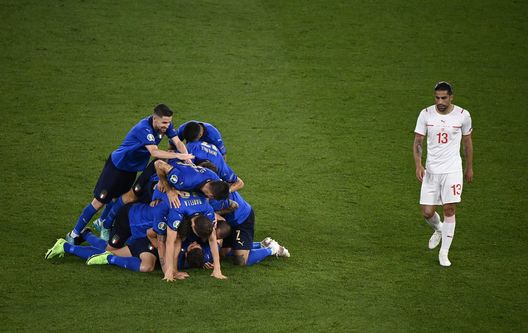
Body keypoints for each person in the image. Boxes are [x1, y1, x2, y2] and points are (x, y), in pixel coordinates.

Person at [66, 104, 193, 244]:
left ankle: (102, 223)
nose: (167, 125)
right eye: (164, 122)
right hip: (117, 167)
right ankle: (74, 234)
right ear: (155, 118)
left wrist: (187, 158)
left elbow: (178, 142)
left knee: (117, 198)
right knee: (99, 202)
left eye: (169, 122)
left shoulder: (165, 125)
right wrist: (177, 156)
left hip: (131, 169)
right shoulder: (143, 129)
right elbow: (154, 152)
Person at [413, 81, 473, 267]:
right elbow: (418, 142)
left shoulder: (463, 116)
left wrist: (469, 167)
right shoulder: (426, 114)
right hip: (432, 171)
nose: (440, 101)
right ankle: (439, 229)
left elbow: (467, 143)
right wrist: (418, 164)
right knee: (427, 212)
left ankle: (444, 252)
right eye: (437, 97)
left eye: (444, 98)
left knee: (449, 209)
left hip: (452, 170)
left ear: (451, 97)